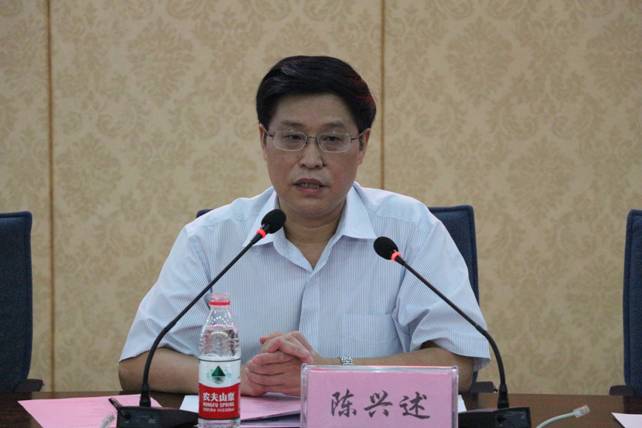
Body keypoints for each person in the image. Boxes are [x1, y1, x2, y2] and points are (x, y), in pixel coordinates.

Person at [118, 55, 490, 396]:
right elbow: (139, 365)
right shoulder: (211, 240)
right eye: (293, 138)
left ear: (362, 145)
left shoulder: (410, 231)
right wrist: (239, 377)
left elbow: (457, 362)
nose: (311, 159)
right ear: (264, 140)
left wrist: (329, 372)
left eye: (332, 139)